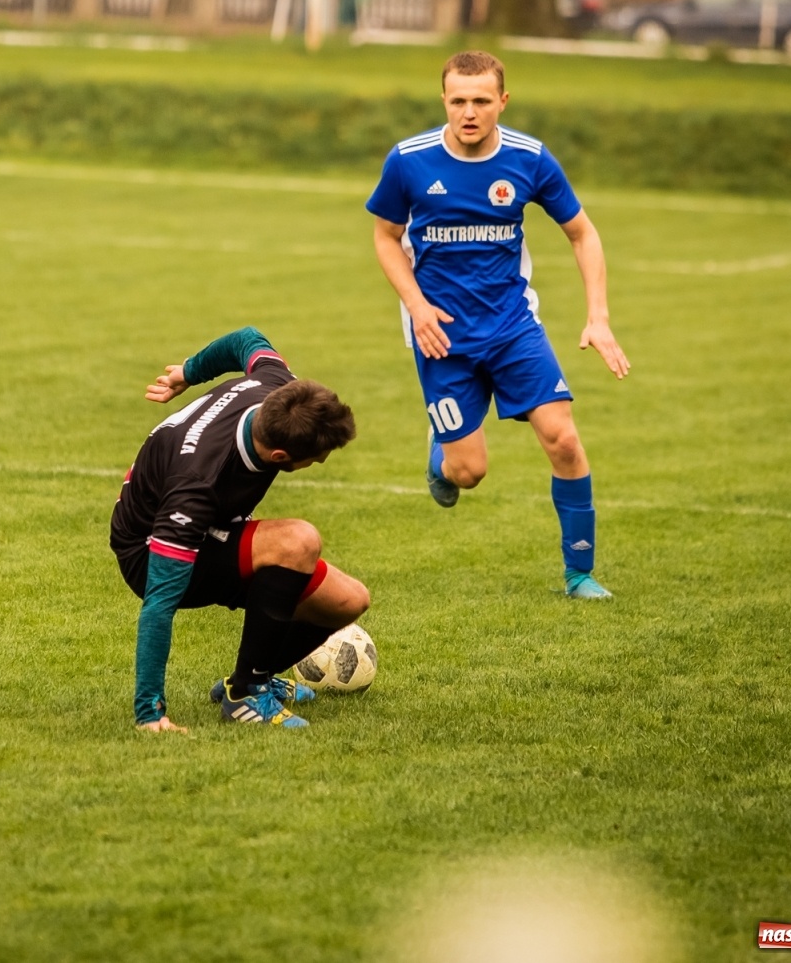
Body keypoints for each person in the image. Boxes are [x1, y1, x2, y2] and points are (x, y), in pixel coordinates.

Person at [366, 50, 630, 600]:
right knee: (468, 474)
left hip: (513, 326)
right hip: (441, 335)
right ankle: (443, 452)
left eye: (481, 101)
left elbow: (583, 233)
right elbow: (385, 237)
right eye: (458, 100)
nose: (469, 112)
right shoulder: (409, 161)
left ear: (501, 102)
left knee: (562, 439)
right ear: (444, 99)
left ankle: (579, 573)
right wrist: (415, 305)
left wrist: (598, 318)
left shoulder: (529, 159)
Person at [112, 326, 370, 733]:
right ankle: (247, 694)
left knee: (349, 601)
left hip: (214, 527)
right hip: (147, 551)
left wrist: (188, 372)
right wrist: (150, 711)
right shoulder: (197, 483)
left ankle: (250, 678)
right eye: (314, 460)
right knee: (298, 541)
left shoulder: (276, 385)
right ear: (280, 455)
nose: (317, 464)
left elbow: (246, 338)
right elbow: (158, 601)